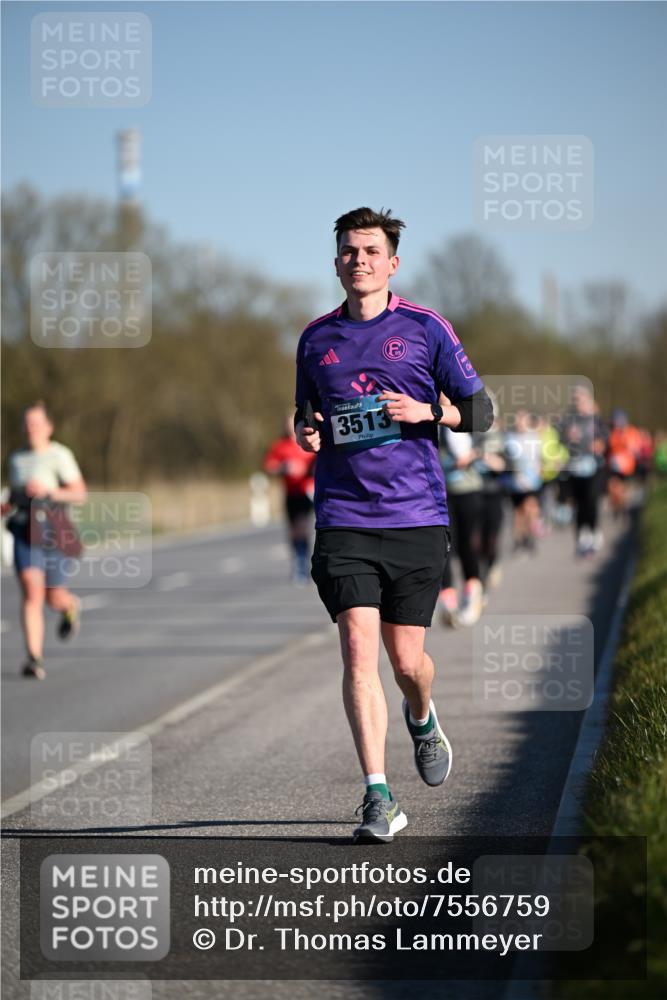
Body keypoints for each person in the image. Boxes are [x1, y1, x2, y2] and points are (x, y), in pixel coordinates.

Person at [295, 207, 493, 843]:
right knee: (358, 649)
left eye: (371, 251)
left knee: (407, 662)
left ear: (392, 263)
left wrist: (429, 411)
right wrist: (304, 432)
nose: (359, 261)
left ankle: (422, 714)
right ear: (336, 262)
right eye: (349, 251)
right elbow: (307, 416)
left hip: (415, 517)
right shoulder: (314, 339)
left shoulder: (426, 328)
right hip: (344, 519)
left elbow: (481, 410)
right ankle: (378, 795)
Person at [3, 402, 87, 678]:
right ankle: (34, 658)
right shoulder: (16, 459)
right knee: (31, 589)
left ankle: (69, 606)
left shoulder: (59, 455)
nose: (31, 429)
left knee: (53, 597)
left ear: (49, 427)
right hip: (24, 529)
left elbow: (79, 493)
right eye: (27, 423)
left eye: (37, 423)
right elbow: (14, 496)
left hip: (53, 530)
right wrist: (7, 505)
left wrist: (49, 491)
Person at [437, 427, 484, 627]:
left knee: (467, 545)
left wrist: (472, 454)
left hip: (468, 491)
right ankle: (448, 601)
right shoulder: (432, 420)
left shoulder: (468, 420)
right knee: (445, 546)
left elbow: (487, 446)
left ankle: (472, 593)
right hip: (443, 493)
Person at [263, 415, 316, 584]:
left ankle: (303, 564)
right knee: (294, 531)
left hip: (307, 492)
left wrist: (308, 470)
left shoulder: (309, 440)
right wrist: (283, 468)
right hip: (291, 493)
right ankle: (299, 562)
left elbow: (318, 462)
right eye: (287, 425)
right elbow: (269, 466)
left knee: (303, 527)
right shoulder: (280, 446)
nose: (290, 428)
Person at [558, 386, 607, 557]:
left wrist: (600, 444)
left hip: (594, 467)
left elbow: (605, 437)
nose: (578, 403)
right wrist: (568, 438)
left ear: (588, 400)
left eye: (581, 399)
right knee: (579, 503)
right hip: (575, 468)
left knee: (591, 500)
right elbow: (560, 438)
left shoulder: (596, 419)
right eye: (576, 399)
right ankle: (581, 534)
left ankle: (593, 530)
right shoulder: (568, 420)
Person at [504, 409, 543, 553]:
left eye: (523, 419)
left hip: (532, 481)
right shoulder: (509, 438)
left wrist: (537, 472)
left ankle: (531, 537)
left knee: (531, 508)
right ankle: (519, 539)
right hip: (515, 482)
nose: (520, 422)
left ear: (528, 422)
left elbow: (538, 459)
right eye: (518, 419)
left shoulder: (534, 437)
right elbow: (508, 460)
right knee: (518, 512)